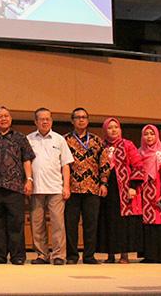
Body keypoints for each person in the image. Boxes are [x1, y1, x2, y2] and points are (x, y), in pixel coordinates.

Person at [0, 106, 35, 265]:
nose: (3, 119)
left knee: (16, 223)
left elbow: (26, 160)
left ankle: (17, 256)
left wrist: (29, 180)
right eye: (0, 117)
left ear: (10, 119)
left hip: (15, 186)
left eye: (6, 116)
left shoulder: (20, 137)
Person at [27, 108, 73, 266]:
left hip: (56, 188)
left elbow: (65, 165)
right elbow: (25, 163)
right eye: (41, 119)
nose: (44, 121)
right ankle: (42, 254)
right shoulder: (29, 139)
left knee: (58, 224)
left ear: (51, 121)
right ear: (36, 122)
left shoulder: (59, 139)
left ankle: (59, 255)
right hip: (36, 189)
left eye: (47, 119)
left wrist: (66, 186)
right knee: (37, 223)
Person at [64, 107, 109, 265]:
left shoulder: (97, 141)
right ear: (72, 120)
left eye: (84, 117)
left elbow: (104, 163)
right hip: (72, 188)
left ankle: (89, 256)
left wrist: (104, 182)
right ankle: (72, 256)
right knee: (70, 224)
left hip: (92, 187)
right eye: (77, 117)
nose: (81, 120)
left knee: (91, 224)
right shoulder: (65, 140)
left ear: (88, 120)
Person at [97, 117, 143, 264]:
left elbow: (138, 165)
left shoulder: (128, 144)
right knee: (108, 220)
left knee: (123, 222)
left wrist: (133, 187)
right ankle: (110, 254)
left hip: (123, 188)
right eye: (110, 128)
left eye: (116, 127)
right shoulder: (101, 145)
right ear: (105, 130)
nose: (113, 130)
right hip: (105, 187)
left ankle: (124, 254)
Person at [137, 124, 161, 263]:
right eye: (146, 134)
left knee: (160, 220)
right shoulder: (139, 152)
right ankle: (149, 255)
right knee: (147, 222)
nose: (149, 137)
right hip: (144, 192)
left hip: (159, 189)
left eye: (152, 134)